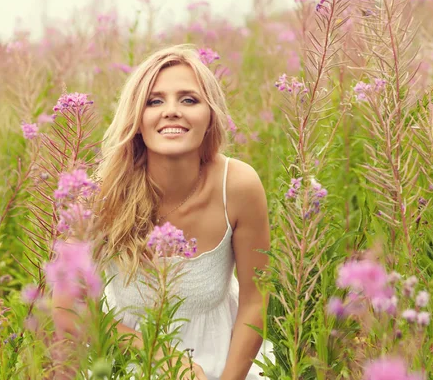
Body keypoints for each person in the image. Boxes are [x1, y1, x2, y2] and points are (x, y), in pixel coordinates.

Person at [53, 44, 272, 380]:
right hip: (127, 358)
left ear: (210, 116)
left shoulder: (239, 186)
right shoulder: (99, 194)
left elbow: (255, 302)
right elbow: (67, 308)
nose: (172, 111)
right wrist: (164, 358)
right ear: (137, 120)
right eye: (155, 101)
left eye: (189, 99)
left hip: (227, 362)